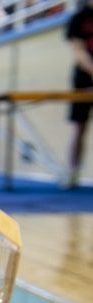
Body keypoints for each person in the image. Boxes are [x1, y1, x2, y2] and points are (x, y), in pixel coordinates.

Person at [68, 0, 93, 189]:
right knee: (80, 127)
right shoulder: (79, 18)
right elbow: (79, 51)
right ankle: (73, 173)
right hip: (84, 78)